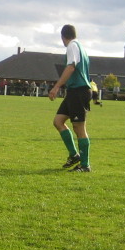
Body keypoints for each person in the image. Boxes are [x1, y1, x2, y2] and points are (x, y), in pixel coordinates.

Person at [48, 24, 92, 173]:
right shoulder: (80, 47)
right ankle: (74, 155)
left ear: (63, 36)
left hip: (79, 91)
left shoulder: (72, 46)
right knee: (58, 121)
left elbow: (71, 67)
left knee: (79, 127)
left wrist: (56, 86)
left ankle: (85, 165)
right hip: (74, 91)